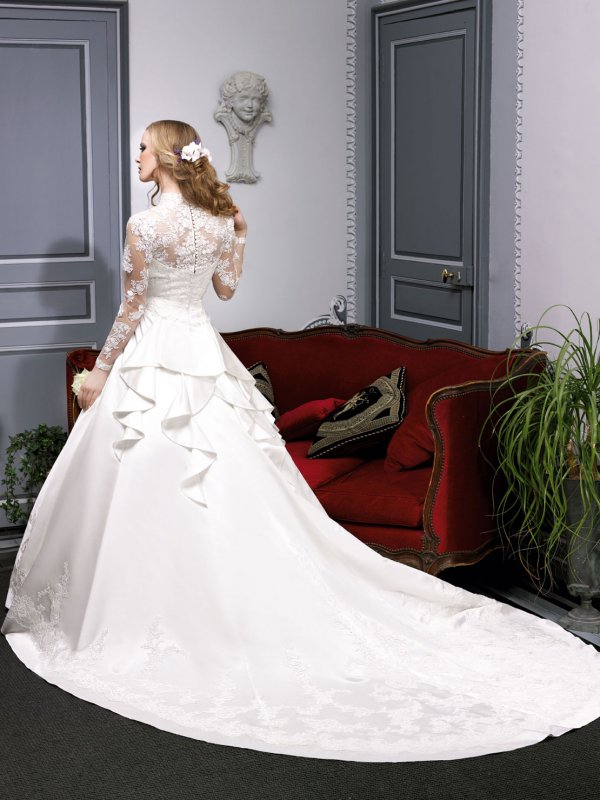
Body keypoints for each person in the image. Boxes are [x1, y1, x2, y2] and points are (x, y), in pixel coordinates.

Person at [3, 119, 600, 763]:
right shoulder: (218, 221)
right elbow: (225, 289)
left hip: (155, 354)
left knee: (144, 476)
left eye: (143, 148)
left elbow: (131, 307)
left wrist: (101, 371)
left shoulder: (144, 224)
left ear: (169, 156)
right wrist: (241, 235)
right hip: (200, 351)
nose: (137, 158)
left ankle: (156, 610)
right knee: (216, 480)